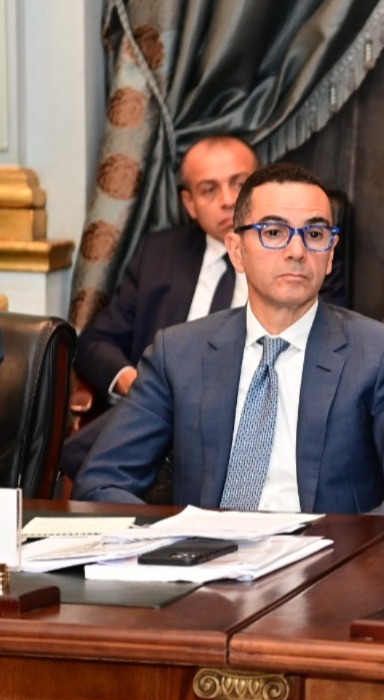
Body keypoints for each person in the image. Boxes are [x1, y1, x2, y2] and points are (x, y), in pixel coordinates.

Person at [75, 163, 384, 515]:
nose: (297, 251)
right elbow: (102, 482)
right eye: (274, 233)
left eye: (315, 234)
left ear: (330, 255)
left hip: (326, 558)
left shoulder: (379, 354)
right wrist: (172, 541)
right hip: (204, 558)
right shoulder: (178, 353)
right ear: (237, 251)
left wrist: (340, 551)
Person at [63, 135, 350, 477]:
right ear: (189, 203)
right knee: (75, 462)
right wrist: (137, 383)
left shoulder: (303, 259)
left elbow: (328, 345)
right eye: (209, 190)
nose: (228, 201)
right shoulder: (159, 255)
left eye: (239, 184)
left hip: (257, 410)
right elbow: (95, 343)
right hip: (160, 411)